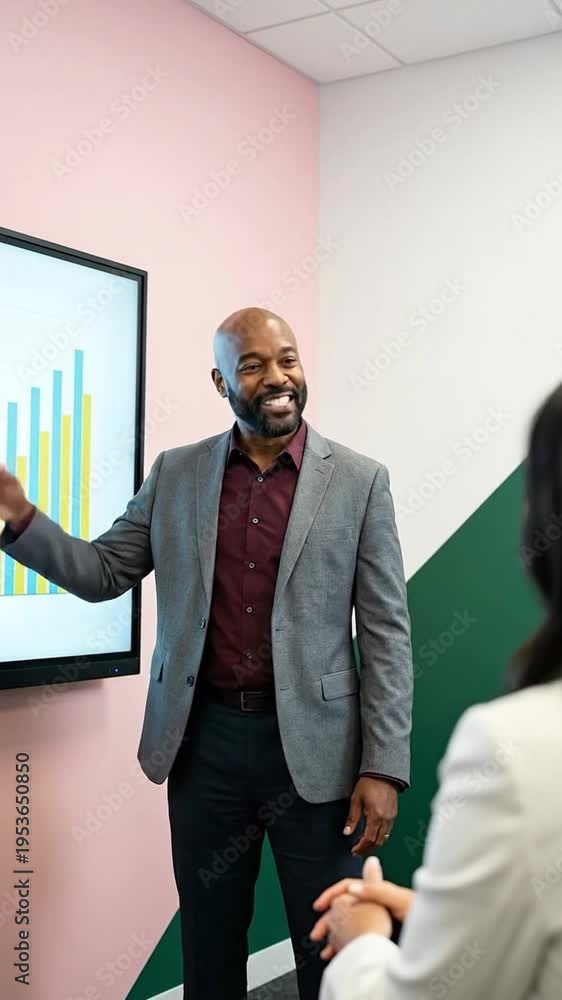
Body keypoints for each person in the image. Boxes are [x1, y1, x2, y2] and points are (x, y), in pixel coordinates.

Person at [0, 307, 413, 1000]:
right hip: (205, 747)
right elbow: (104, 573)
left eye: (287, 358)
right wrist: (21, 523)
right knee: (210, 942)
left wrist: (383, 766)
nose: (276, 376)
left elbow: (387, 632)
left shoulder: (360, 483)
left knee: (331, 947)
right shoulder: (177, 474)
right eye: (252, 365)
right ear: (221, 381)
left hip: (317, 756)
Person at [311, 383, 562, 1000]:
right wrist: (429, 911)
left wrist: (364, 941)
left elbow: (387, 629)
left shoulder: (512, 750)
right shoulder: (179, 474)